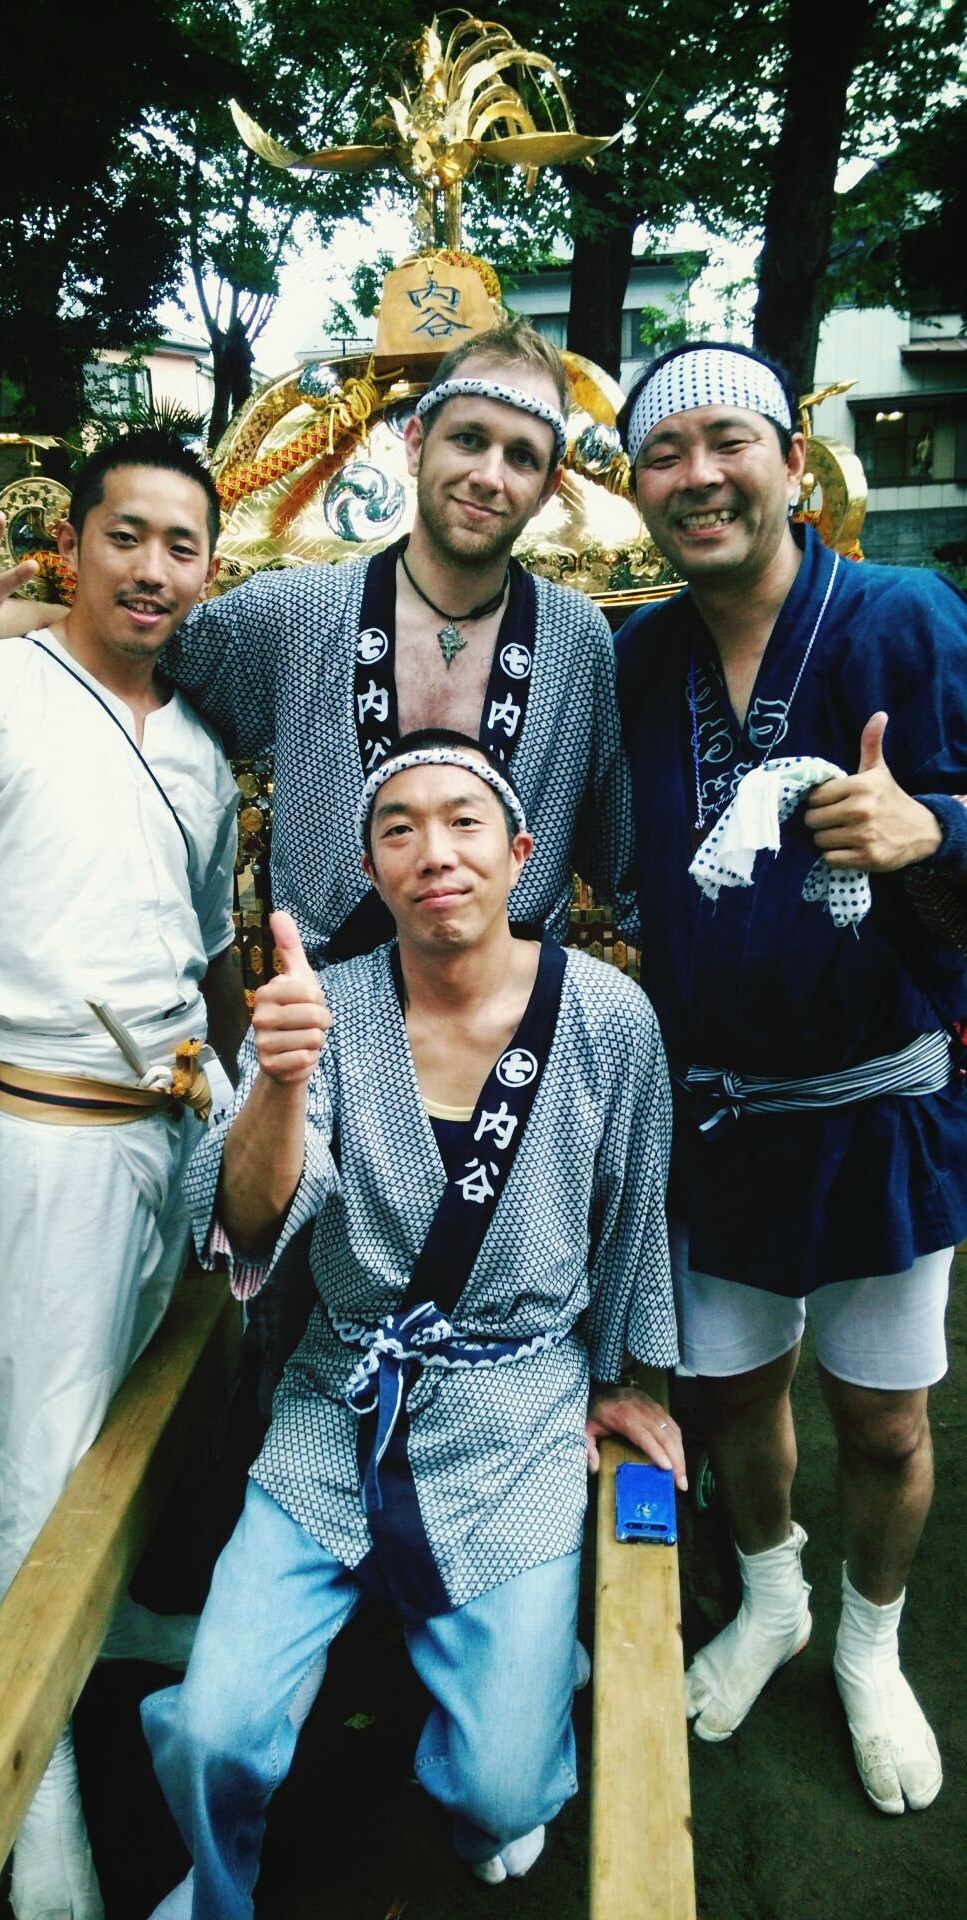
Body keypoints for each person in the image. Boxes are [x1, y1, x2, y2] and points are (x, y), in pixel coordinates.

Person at [140, 731, 683, 1916]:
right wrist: (278, 1085)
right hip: (342, 1405)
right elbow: (239, 1224)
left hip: (514, 1407)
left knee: (499, 1793)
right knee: (215, 1732)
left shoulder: (609, 1020)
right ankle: (216, 1881)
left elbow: (634, 1212)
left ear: (522, 854)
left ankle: (485, 1728)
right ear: (374, 871)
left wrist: (616, 1378)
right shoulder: (316, 1014)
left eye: (463, 822)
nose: (433, 852)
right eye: (399, 831)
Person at [0, 429, 248, 1920]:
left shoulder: (202, 747)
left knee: (142, 1413)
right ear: (72, 546)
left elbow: (209, 952)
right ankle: (39, 1832)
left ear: (208, 572)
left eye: (181, 546)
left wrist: (237, 1115)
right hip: (50, 1125)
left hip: (178, 1118)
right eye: (127, 536)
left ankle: (115, 1629)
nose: (152, 568)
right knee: (39, 1469)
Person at [613, 341, 967, 1816]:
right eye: (662, 452)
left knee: (882, 1421)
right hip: (717, 1114)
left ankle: (871, 1645)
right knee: (737, 1396)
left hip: (881, 1101)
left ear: (792, 465)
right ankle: (774, 1598)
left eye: (726, 442)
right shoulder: (638, 657)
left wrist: (935, 827)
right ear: (636, 488)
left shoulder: (905, 615)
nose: (697, 475)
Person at [0, 317, 635, 965]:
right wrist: (6, 617)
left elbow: (619, 858)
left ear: (546, 490)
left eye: (521, 457)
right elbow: (141, 639)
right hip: (330, 1027)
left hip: (512, 1031)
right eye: (469, 439)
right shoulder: (297, 611)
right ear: (416, 444)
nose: (488, 475)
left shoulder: (577, 641)